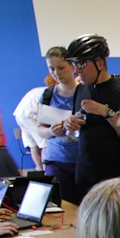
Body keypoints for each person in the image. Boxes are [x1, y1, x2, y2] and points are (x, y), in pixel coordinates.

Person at [62, 34, 120, 203]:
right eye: (75, 64)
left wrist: (105, 112)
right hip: (85, 172)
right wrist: (69, 124)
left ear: (100, 63)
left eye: (81, 64)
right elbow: (78, 124)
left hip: (114, 174)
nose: (77, 70)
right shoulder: (81, 90)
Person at [37, 47, 81, 204]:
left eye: (61, 68)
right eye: (52, 69)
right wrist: (51, 131)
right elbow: (40, 129)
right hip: (57, 160)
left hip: (82, 160)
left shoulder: (86, 93)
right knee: (63, 205)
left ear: (72, 66)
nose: (56, 73)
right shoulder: (48, 95)